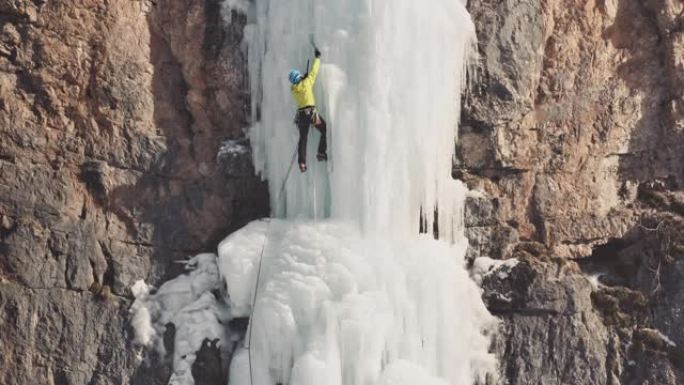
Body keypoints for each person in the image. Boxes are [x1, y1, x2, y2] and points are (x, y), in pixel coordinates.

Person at [289, 48, 327, 173]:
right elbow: (313, 73)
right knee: (324, 129)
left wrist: (302, 79)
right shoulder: (306, 83)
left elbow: (299, 84)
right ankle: (321, 153)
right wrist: (317, 58)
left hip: (301, 117)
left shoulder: (294, 90)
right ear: (300, 77)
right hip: (311, 114)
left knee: (303, 139)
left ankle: (302, 163)